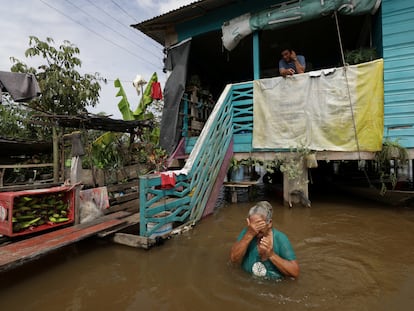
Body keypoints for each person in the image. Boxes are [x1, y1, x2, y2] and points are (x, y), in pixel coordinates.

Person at [230, 201, 299, 279]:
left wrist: (271, 255)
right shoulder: (248, 232)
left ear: (269, 223)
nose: (256, 230)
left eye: (260, 225)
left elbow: (295, 272)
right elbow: (233, 258)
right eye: (254, 226)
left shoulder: (280, 239)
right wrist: (249, 235)